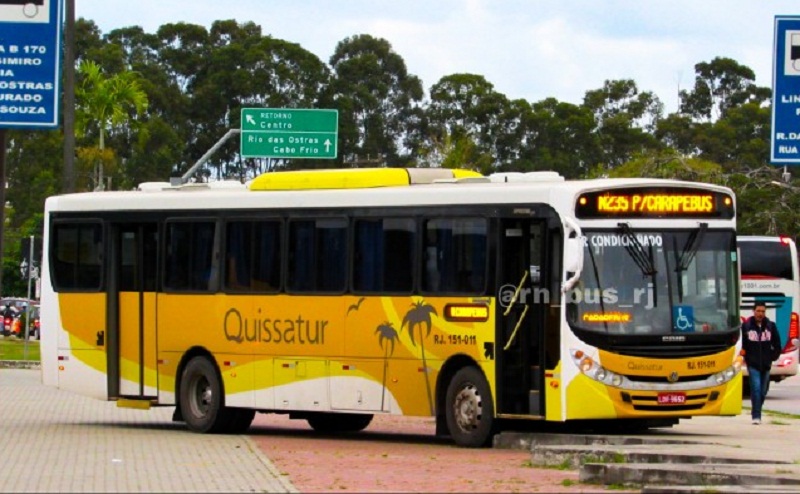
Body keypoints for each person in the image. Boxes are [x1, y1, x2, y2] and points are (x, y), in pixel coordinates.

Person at [740, 302, 782, 425]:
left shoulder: (770, 326)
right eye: (758, 311)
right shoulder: (746, 326)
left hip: (766, 364)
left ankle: (758, 408)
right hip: (753, 364)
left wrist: (773, 356)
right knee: (756, 389)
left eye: (763, 311)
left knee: (763, 391)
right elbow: (743, 344)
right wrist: (745, 357)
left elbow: (777, 344)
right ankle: (756, 416)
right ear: (754, 311)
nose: (760, 314)